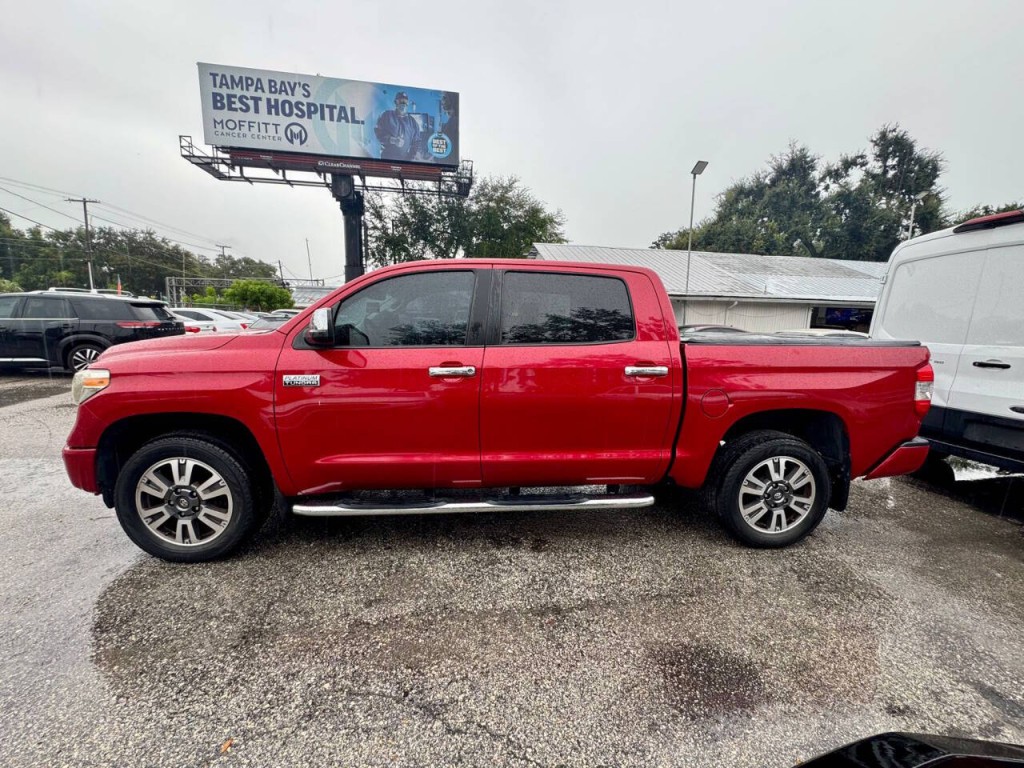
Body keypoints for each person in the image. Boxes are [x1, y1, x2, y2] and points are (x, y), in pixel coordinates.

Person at [374, 91, 419, 162]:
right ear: (395, 102)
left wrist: (410, 158)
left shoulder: (413, 122)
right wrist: (392, 140)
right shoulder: (386, 115)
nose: (403, 104)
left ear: (408, 104)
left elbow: (416, 142)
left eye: (405, 101)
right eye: (400, 101)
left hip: (404, 160)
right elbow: (378, 132)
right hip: (387, 158)